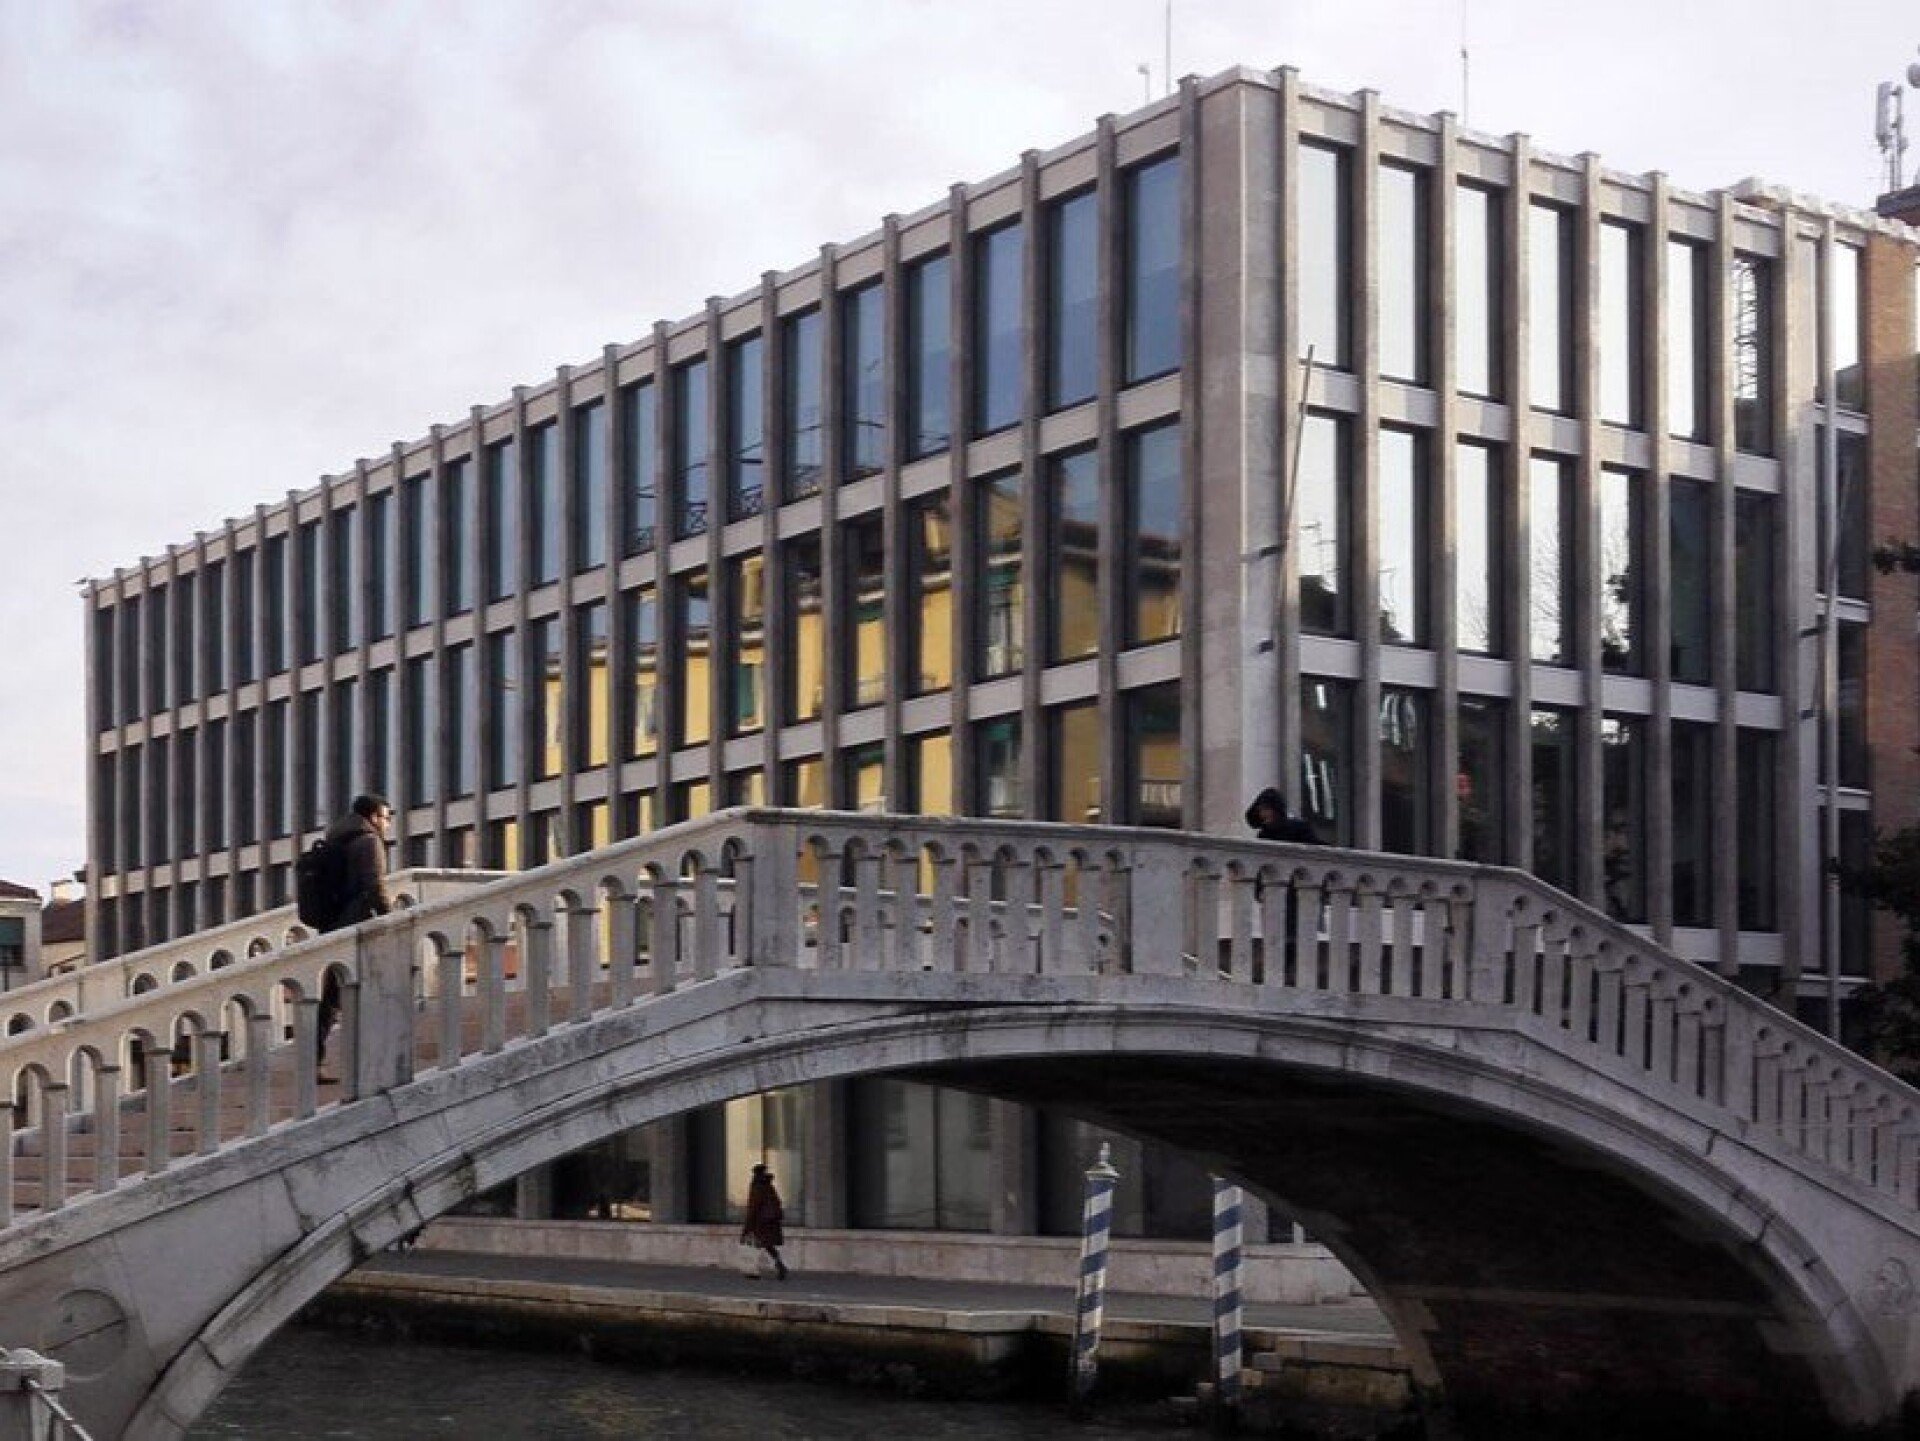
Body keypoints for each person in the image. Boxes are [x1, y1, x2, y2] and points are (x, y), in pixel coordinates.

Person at [316, 793, 396, 1079]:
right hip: (357, 923)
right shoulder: (369, 841)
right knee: (364, 992)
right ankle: (369, 1060)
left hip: (332, 921)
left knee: (331, 996)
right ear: (373, 817)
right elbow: (375, 885)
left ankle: (314, 1059)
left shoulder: (337, 837)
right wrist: (391, 917)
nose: (387, 824)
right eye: (386, 817)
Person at [741, 1163, 789, 1281]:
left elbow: (753, 1207)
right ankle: (779, 1265)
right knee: (767, 1245)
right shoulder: (769, 1185)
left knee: (754, 1245)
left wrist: (747, 1226)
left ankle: (753, 1271)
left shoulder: (757, 1186)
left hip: (760, 1222)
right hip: (770, 1221)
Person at [1244, 787, 1318, 845]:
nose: (1263, 814)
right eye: (1260, 810)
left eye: (1266, 809)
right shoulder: (1263, 835)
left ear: (1276, 809)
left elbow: (1317, 850)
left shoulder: (1300, 829)